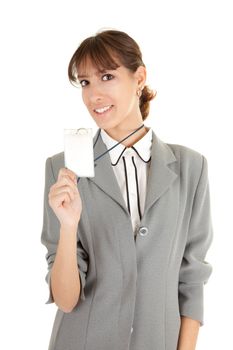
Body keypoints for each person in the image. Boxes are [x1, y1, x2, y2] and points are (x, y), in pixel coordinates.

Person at [41, 29, 213, 350]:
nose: (94, 95)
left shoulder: (191, 167)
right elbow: (66, 300)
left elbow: (191, 279)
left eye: (107, 76)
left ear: (139, 79)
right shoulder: (63, 170)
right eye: (85, 82)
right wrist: (68, 225)